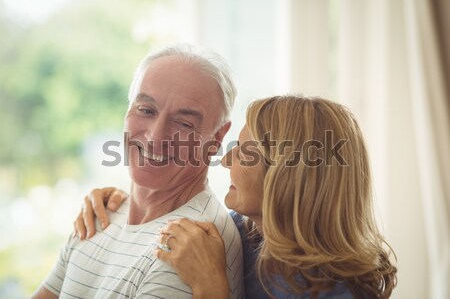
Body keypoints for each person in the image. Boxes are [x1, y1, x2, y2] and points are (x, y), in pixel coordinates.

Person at [76, 95, 398, 298]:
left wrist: (212, 287)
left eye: (245, 153)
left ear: (287, 174)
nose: (226, 161)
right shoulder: (241, 234)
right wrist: (126, 206)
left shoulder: (342, 292)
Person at [32, 44, 244, 299]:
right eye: (146, 110)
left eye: (184, 123)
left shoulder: (193, 248)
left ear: (218, 137)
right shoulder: (100, 214)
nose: (156, 137)